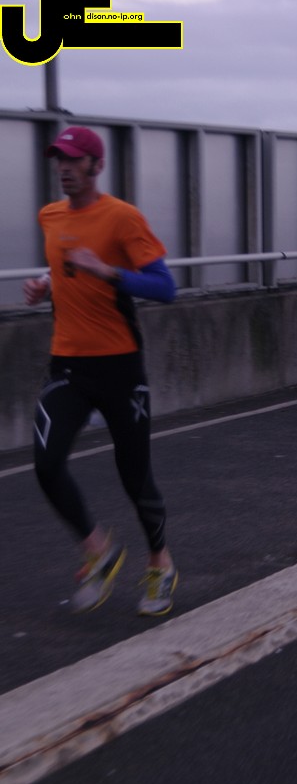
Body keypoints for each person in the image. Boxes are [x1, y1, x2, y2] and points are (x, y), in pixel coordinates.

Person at [23, 126, 179, 616]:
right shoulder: (50, 216)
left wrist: (107, 270)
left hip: (120, 369)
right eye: (59, 159)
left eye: (74, 159)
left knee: (134, 477)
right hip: (68, 365)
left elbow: (165, 287)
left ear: (97, 165)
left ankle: (160, 562)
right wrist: (45, 284)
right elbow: (65, 264)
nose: (64, 168)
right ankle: (99, 551)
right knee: (47, 464)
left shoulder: (123, 217)